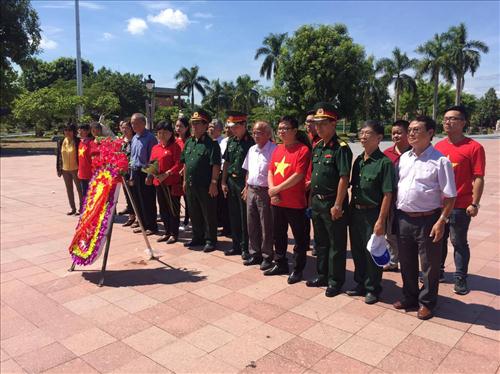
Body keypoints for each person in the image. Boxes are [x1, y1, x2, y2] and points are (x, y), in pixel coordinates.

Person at [394, 116, 456, 320]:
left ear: (430, 133)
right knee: (407, 261)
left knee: (429, 265)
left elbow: (450, 196)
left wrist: (441, 221)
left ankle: (427, 302)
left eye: (416, 129)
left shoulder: (440, 161)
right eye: (410, 129)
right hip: (404, 218)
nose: (411, 133)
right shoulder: (404, 158)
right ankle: (410, 297)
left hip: (428, 220)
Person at [435, 105, 486, 295]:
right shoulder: (439, 146)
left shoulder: (474, 147)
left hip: (461, 205)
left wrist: (475, 203)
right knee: (437, 239)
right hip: (439, 204)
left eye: (453, 119)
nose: (448, 122)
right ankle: (437, 271)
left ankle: (460, 278)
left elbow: (478, 177)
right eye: (446, 118)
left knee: (458, 242)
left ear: (463, 122)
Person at [305, 103, 352, 297]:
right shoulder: (317, 147)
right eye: (317, 124)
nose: (318, 128)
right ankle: (322, 275)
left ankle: (335, 280)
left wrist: (338, 204)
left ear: (333, 124)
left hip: (333, 202)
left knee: (336, 245)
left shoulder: (341, 148)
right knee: (321, 242)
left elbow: (344, 178)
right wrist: (310, 201)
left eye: (323, 124)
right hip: (317, 202)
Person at [346, 120, 395, 304]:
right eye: (361, 132)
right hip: (356, 213)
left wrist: (381, 220)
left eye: (367, 133)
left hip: (373, 213)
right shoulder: (359, 160)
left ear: (379, 138)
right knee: (358, 250)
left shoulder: (384, 163)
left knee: (372, 252)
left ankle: (373, 288)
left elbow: (387, 194)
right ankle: (360, 283)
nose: (363, 136)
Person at [265, 115, 311, 284]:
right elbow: (271, 171)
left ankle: (298, 269)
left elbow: (299, 176)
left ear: (294, 131)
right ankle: (280, 263)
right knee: (278, 234)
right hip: (276, 201)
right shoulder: (278, 149)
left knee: (299, 238)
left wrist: (277, 189)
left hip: (295, 202)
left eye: (285, 128)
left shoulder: (303, 150)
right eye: (280, 129)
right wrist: (272, 190)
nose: (281, 132)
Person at [181, 109, 221, 252]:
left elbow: (216, 165)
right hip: (191, 184)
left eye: (198, 123)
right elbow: (185, 163)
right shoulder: (189, 143)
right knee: (194, 211)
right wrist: (184, 181)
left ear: (205, 126)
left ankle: (210, 239)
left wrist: (214, 183)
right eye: (193, 123)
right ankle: (197, 237)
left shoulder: (212, 144)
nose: (194, 126)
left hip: (206, 185)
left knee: (208, 213)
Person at [242, 121, 277, 270]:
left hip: (265, 191)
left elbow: (275, 173)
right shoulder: (251, 149)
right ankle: (255, 253)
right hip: (251, 190)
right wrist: (246, 187)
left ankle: (267, 256)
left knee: (266, 225)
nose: (256, 135)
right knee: (252, 224)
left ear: (268, 134)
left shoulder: (274, 150)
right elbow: (248, 170)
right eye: (254, 132)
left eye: (260, 132)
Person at [221, 111, 255, 259]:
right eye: (231, 127)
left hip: (243, 182)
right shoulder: (231, 141)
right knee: (233, 215)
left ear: (243, 125)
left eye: (235, 126)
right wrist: (223, 181)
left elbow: (252, 167)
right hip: (231, 181)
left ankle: (246, 247)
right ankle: (236, 245)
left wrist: (247, 186)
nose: (232, 129)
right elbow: (227, 162)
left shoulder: (251, 143)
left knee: (244, 217)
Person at [383, 120, 411, 272]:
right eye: (393, 133)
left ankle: (408, 263)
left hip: (409, 202)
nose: (396, 136)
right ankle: (393, 261)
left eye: (399, 132)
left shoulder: (415, 153)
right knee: (390, 233)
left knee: (407, 236)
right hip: (391, 200)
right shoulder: (387, 154)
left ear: (408, 133)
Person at [149, 120, 183, 244]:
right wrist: (151, 174)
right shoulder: (155, 148)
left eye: (164, 132)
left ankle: (174, 233)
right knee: (163, 208)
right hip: (159, 183)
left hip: (172, 182)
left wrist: (167, 173)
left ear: (170, 133)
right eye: (159, 132)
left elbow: (179, 164)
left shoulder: (175, 146)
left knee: (173, 209)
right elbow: (152, 163)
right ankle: (167, 231)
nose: (161, 135)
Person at [130, 113, 158, 235]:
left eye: (136, 123)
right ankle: (142, 224)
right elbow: (132, 157)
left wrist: (149, 175)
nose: (133, 125)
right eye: (132, 123)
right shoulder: (135, 138)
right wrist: (131, 173)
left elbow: (153, 159)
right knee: (137, 200)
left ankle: (151, 226)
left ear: (143, 123)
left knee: (147, 200)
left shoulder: (150, 138)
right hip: (135, 172)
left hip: (145, 173)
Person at [210, 119, 231, 237]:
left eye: (213, 126)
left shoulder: (223, 141)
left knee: (224, 203)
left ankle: (227, 226)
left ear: (219, 129)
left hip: (224, 174)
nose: (210, 128)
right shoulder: (214, 142)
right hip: (214, 174)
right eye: (210, 126)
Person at [56, 123, 82, 215]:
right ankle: (72, 208)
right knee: (69, 189)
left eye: (70, 130)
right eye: (66, 130)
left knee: (80, 189)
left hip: (76, 169)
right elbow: (59, 156)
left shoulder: (78, 141)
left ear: (73, 132)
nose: (68, 132)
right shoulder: (61, 141)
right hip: (65, 169)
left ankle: (81, 208)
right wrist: (58, 169)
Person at [175, 117, 191, 231]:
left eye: (180, 126)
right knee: (176, 198)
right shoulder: (175, 141)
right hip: (175, 174)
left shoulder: (190, 141)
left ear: (186, 127)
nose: (178, 128)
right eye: (176, 126)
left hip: (186, 174)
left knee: (187, 199)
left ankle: (187, 219)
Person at [77, 123, 94, 197]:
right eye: (79, 130)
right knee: (84, 194)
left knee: (91, 195)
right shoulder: (81, 142)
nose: (80, 132)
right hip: (82, 173)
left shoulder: (91, 143)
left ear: (88, 131)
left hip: (90, 173)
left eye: (82, 130)